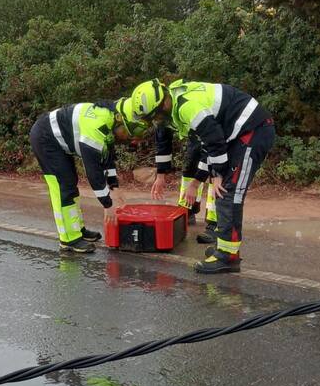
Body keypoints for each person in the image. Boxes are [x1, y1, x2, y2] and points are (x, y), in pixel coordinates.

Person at [131, 78, 276, 274]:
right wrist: (196, 182)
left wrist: (216, 174)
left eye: (156, 116)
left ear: (163, 104)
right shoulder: (175, 107)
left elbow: (214, 141)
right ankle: (224, 249)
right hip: (235, 136)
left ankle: (228, 257)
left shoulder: (187, 107)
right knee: (224, 191)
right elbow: (207, 147)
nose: (157, 121)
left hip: (252, 131)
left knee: (228, 192)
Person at [29, 97, 139, 254]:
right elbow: (94, 172)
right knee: (63, 186)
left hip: (55, 140)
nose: (126, 137)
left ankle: (78, 230)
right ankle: (69, 240)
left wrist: (114, 186)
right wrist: (107, 205)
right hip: (45, 138)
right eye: (126, 132)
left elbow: (106, 158)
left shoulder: (108, 123)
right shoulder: (96, 127)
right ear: (120, 120)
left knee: (70, 184)